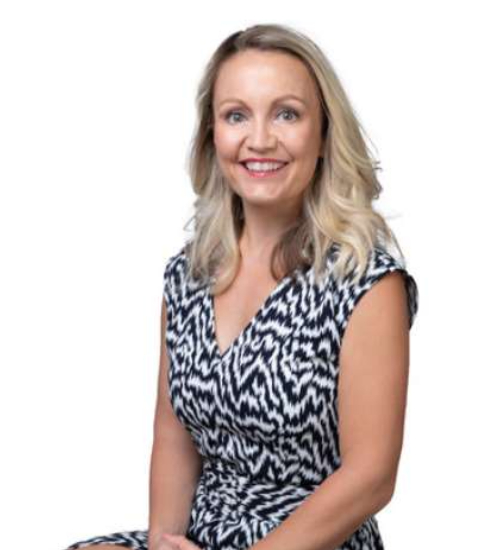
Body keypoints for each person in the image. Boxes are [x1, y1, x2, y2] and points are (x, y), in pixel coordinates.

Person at [64, 23, 419, 550]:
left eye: (287, 114)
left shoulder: (366, 282)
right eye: (236, 115)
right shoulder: (187, 275)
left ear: (323, 135)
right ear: (213, 136)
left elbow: (370, 478)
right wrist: (164, 539)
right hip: (206, 533)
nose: (259, 139)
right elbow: (175, 436)